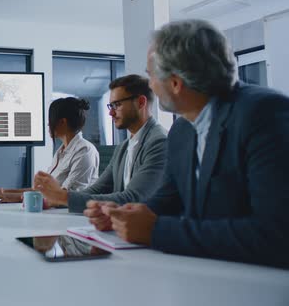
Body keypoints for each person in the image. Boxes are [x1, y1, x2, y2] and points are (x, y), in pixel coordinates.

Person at [84, 19, 289, 268]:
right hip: (204, 272)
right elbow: (169, 200)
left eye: (151, 76)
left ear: (175, 83)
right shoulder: (181, 130)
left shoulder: (264, 113)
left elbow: (276, 234)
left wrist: (157, 231)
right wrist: (124, 216)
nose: (149, 85)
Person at [33, 75, 166, 212]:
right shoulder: (124, 147)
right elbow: (98, 189)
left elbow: (133, 198)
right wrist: (58, 199)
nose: (110, 112)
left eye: (117, 105)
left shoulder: (159, 143)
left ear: (141, 102)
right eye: (110, 105)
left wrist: (62, 197)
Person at [0, 97, 99, 204]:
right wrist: (5, 192)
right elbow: (43, 191)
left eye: (51, 120)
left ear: (62, 122)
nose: (48, 125)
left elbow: (68, 196)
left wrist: (13, 197)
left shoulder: (84, 151)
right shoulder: (61, 151)